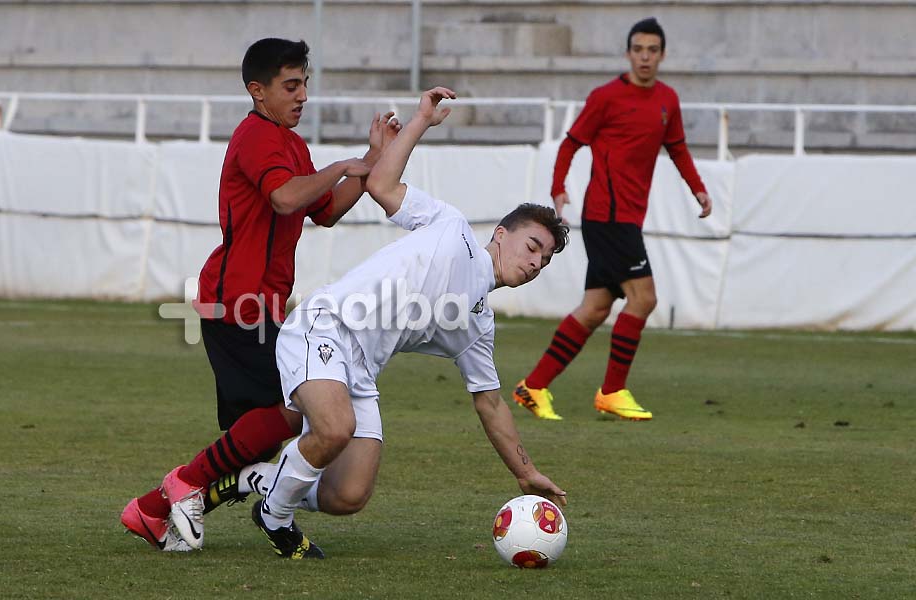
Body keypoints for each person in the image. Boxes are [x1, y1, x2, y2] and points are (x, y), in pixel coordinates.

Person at [245, 86, 569, 559]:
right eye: (533, 246)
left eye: (545, 260)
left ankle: (258, 479)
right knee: (334, 429)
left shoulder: (478, 324)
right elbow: (380, 185)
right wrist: (421, 120)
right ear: (501, 234)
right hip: (325, 325)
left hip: (362, 371)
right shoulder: (450, 226)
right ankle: (274, 515)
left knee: (348, 495)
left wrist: (525, 472)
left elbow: (491, 404)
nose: (536, 261)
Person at [120, 37, 400, 551]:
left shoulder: (292, 144)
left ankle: (153, 508)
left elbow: (326, 211)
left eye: (305, 85)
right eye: (290, 86)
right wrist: (342, 166)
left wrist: (370, 158)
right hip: (236, 301)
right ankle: (184, 490)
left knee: (260, 436)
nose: (302, 96)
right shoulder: (255, 137)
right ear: (257, 91)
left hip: (260, 304)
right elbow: (285, 195)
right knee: (294, 413)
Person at [513, 17, 712, 422]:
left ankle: (532, 386)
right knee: (644, 299)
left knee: (595, 307)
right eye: (638, 49)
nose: (644, 57)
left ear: (662, 55)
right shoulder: (605, 97)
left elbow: (677, 149)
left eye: (652, 50)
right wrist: (559, 187)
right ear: (628, 53)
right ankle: (612, 390)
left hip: (627, 219)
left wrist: (699, 188)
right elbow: (570, 144)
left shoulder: (667, 100)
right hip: (608, 216)